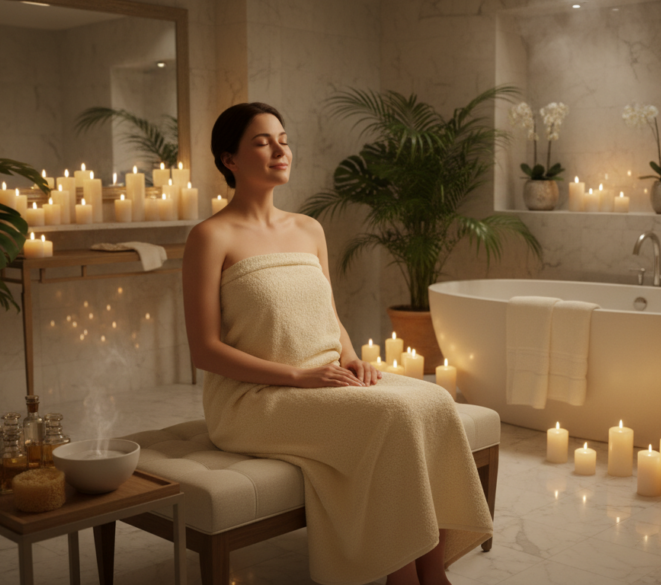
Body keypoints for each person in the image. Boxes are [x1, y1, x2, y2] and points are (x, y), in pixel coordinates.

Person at [182, 102, 493, 585]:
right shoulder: (210, 237)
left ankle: (433, 573)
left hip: (325, 378)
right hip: (254, 399)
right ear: (230, 160)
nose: (280, 150)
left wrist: (351, 358)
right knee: (392, 415)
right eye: (262, 142)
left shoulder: (308, 228)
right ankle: (402, 578)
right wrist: (298, 376)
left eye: (284, 140)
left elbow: (328, 315)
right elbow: (204, 350)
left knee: (434, 399)